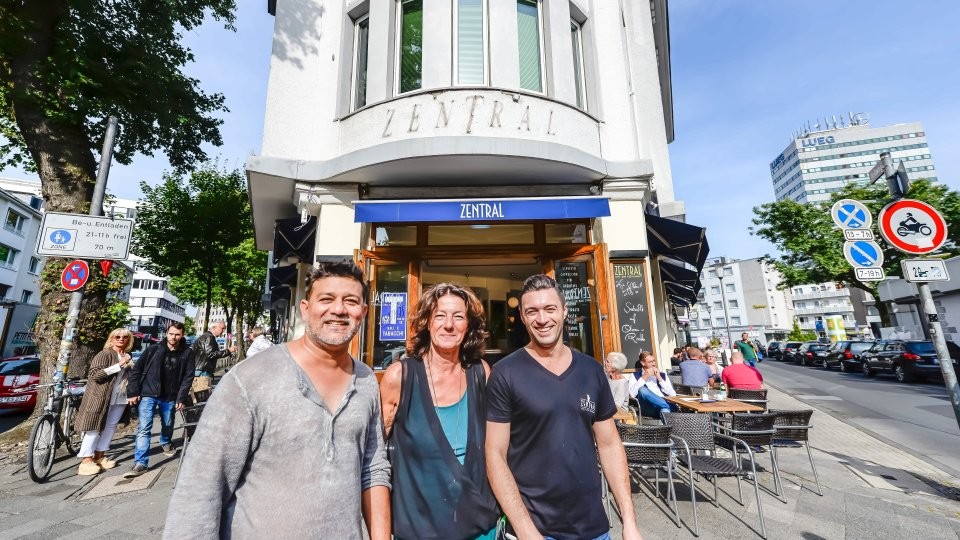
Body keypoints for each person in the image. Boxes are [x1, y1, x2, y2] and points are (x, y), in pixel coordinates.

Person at [163, 261, 390, 540]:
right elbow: (200, 487)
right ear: (305, 309)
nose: (339, 309)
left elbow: (373, 469)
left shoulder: (367, 380)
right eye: (327, 299)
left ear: (363, 312)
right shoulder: (250, 378)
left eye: (351, 301)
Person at [485, 274, 643, 540]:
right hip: (534, 530)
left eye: (550, 309)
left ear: (564, 311)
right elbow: (494, 455)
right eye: (532, 311)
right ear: (523, 317)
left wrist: (629, 520)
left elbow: (609, 445)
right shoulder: (505, 373)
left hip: (594, 529)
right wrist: (527, 533)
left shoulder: (591, 370)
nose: (542, 319)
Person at [380, 283, 499, 540]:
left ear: (469, 326)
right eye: (440, 315)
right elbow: (375, 460)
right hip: (418, 529)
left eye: (458, 316)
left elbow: (497, 449)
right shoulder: (400, 377)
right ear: (426, 322)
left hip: (479, 529)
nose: (449, 325)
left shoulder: (481, 373)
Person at [125, 322, 195, 478]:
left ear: (182, 335)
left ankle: (165, 441)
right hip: (148, 394)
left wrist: (181, 397)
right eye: (171, 334)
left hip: (169, 396)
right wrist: (133, 392)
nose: (173, 337)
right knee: (144, 427)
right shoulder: (153, 350)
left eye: (177, 334)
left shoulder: (187, 353)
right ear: (166, 333)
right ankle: (141, 463)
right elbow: (136, 371)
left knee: (168, 423)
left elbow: (187, 377)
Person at [73, 328, 135, 476]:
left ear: (129, 340)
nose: (121, 339)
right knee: (94, 426)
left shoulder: (127, 355)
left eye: (125, 337)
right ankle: (86, 460)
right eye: (117, 336)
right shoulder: (104, 354)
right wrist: (119, 364)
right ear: (111, 339)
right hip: (101, 396)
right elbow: (95, 375)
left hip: (119, 397)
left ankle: (100, 456)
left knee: (110, 426)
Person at [191, 320, 236, 395]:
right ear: (214, 327)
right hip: (203, 373)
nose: (223, 331)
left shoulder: (205, 336)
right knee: (201, 398)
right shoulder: (209, 337)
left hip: (200, 372)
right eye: (222, 328)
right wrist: (228, 350)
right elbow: (210, 354)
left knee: (199, 397)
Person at [628, 351, 676, 420]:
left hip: (661, 407)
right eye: (650, 362)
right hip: (648, 408)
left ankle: (667, 430)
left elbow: (673, 394)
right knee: (642, 390)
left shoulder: (662, 375)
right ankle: (668, 406)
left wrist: (660, 379)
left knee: (665, 410)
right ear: (643, 363)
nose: (654, 364)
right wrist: (644, 377)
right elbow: (632, 394)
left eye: (654, 361)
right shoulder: (635, 376)